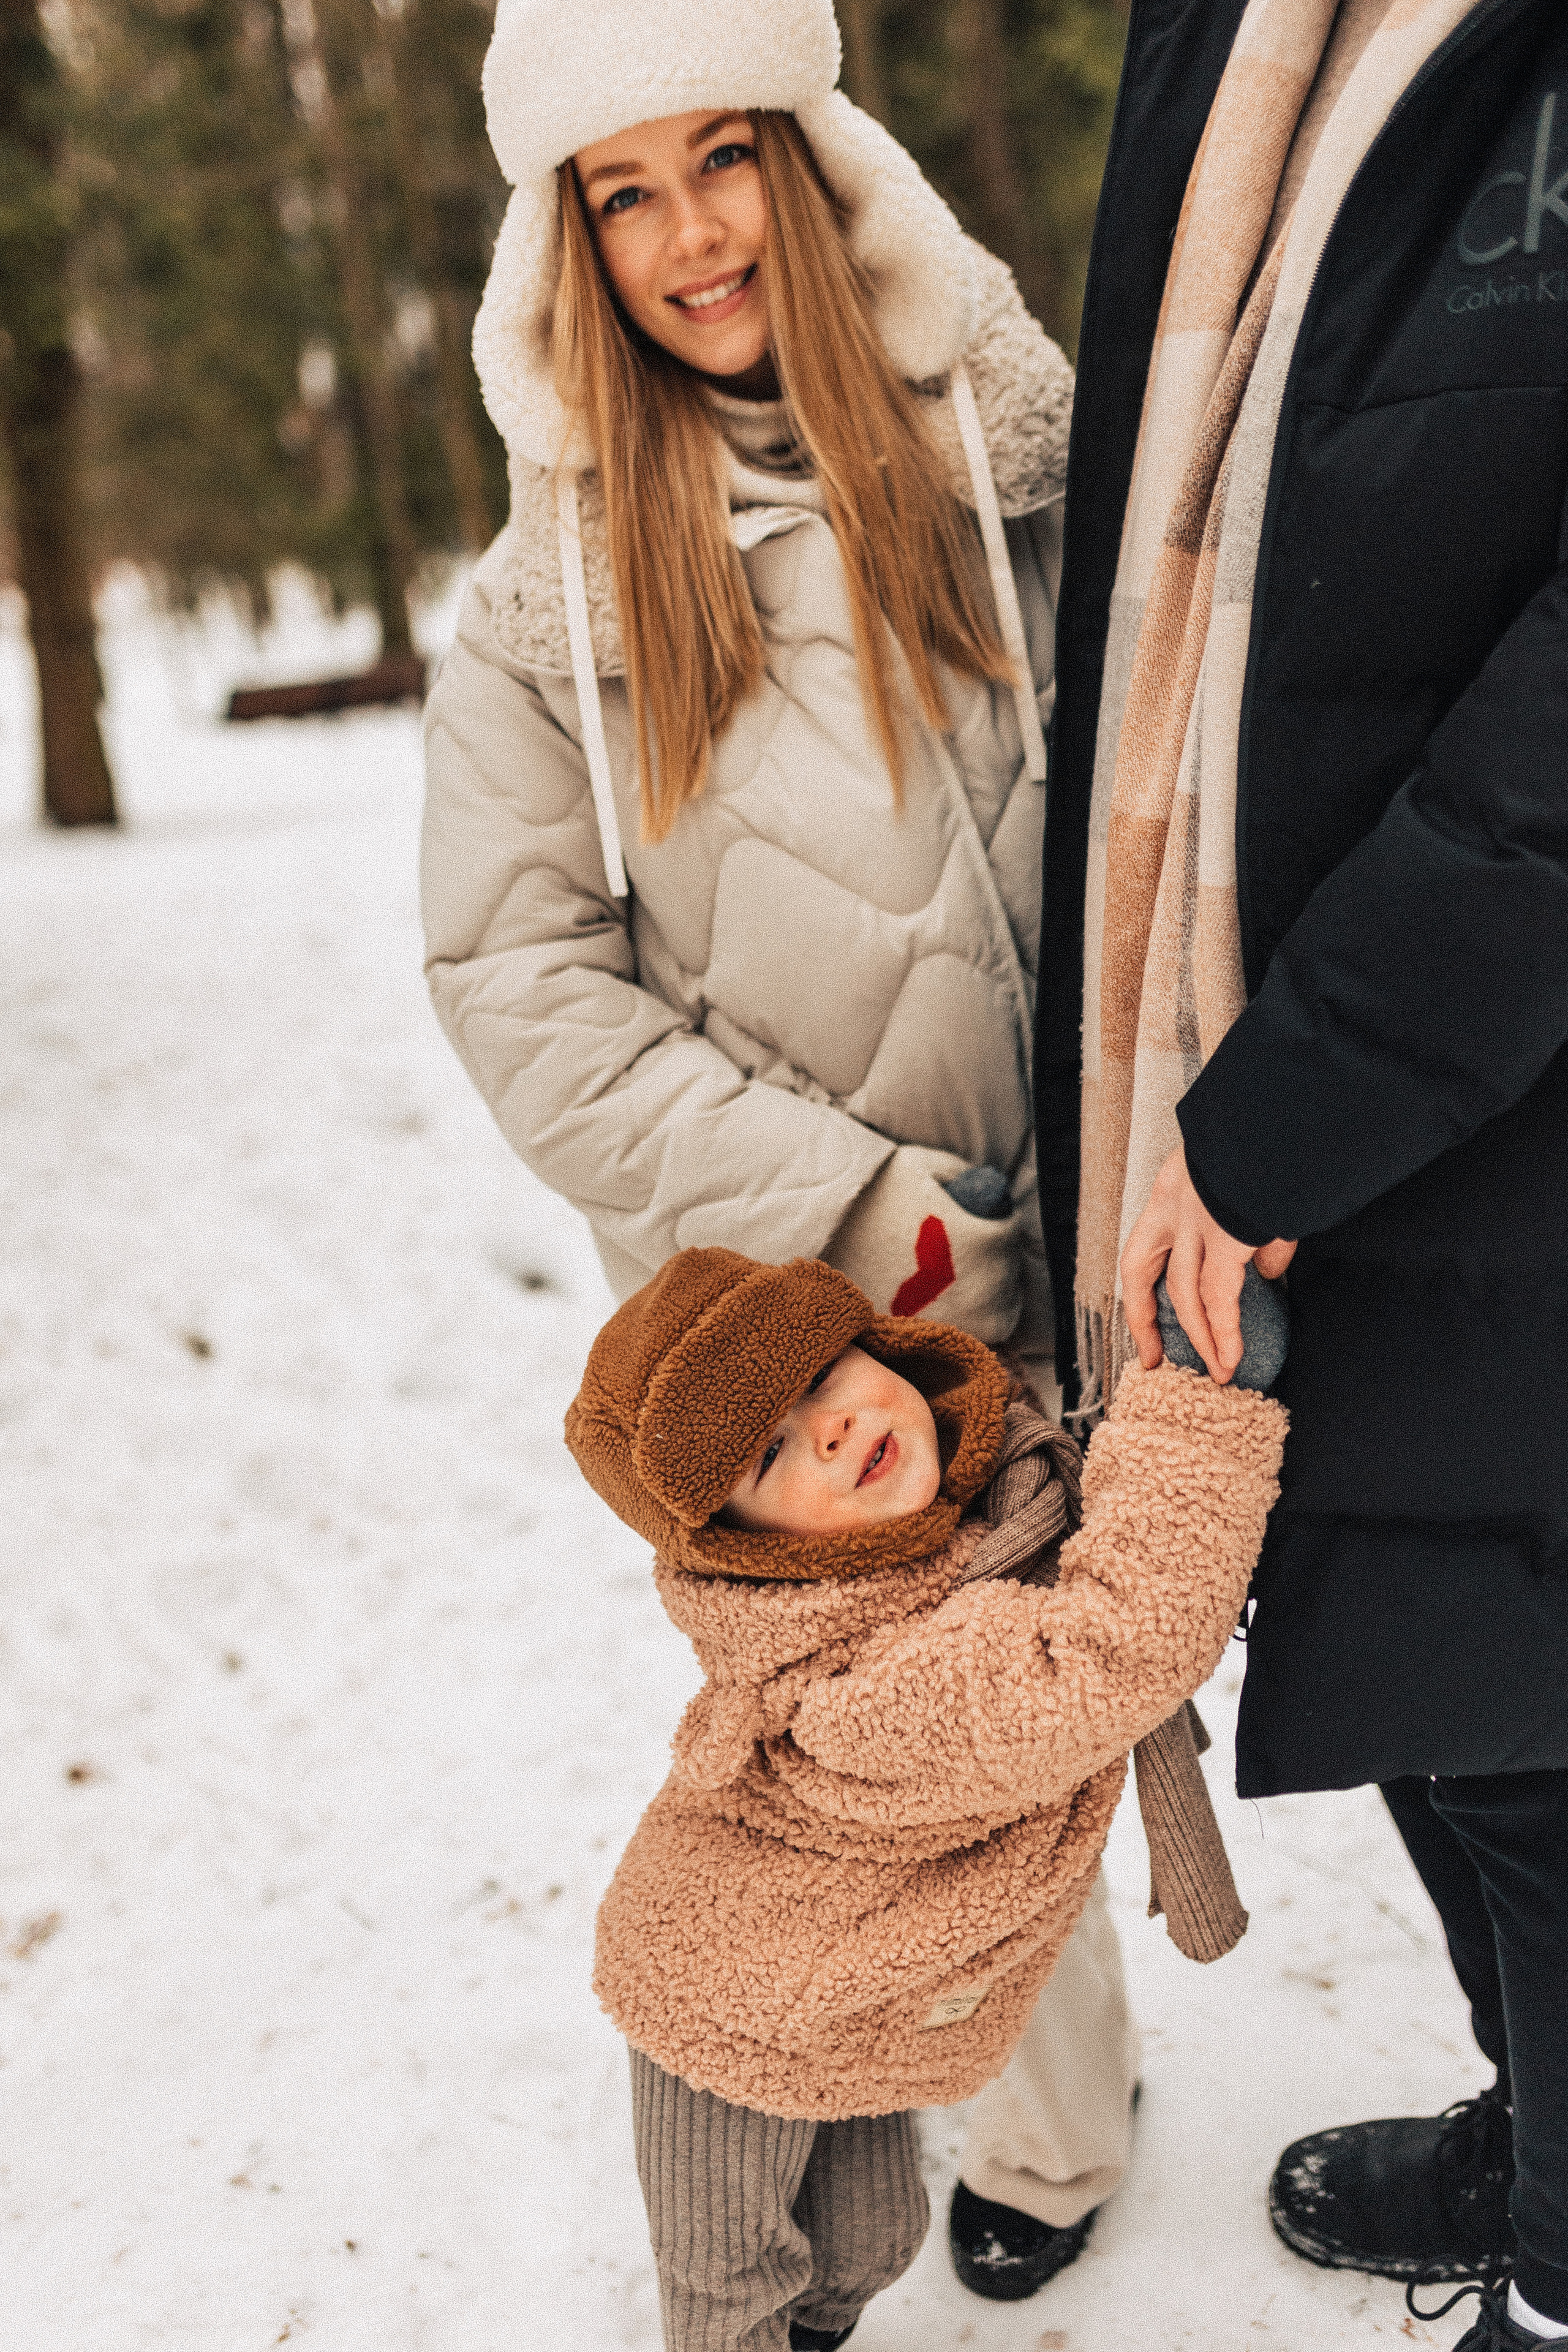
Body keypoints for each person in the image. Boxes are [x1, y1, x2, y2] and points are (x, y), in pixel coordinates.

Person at [421, 0, 1137, 2299]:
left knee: (1092, 1667)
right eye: (616, 192)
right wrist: (848, 1210)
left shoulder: (1016, 449)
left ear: (815, 155)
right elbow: (516, 981)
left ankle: (1098, 2101)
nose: (686, 232)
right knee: (891, 1757)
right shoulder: (559, 601)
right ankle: (1003, 2141)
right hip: (831, 1305)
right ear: (563, 239)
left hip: (1103, 1205)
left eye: (716, 155)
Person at [1036, 3, 1568, 2347]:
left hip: (1452, 1070)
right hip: (1323, 1074)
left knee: (1539, 1740)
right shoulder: (1246, 33)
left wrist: (1285, 1106)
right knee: (1445, 1697)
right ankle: (1551, 2131)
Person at [566, 1245, 1285, 2352]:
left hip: (842, 1992)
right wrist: (1197, 1401)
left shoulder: (976, 1501)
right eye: (772, 1452)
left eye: (820, 1379)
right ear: (750, 1549)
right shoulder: (861, 1689)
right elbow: (1102, 1655)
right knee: (734, 2283)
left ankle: (820, 2330)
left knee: (868, 2240)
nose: (834, 1429)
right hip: (716, 2012)